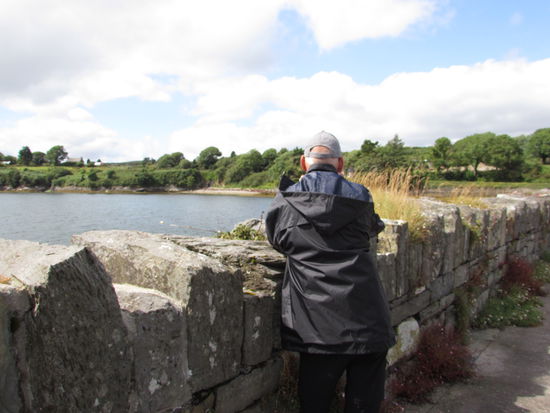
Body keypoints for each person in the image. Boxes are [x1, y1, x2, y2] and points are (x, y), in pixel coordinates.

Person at [265, 131, 395, 413]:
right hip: (369, 322)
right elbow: (373, 228)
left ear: (303, 163)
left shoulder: (286, 200)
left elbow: (276, 239)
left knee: (314, 406)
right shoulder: (361, 196)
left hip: (318, 329)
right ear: (340, 164)